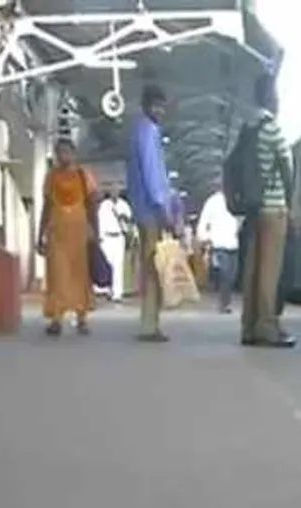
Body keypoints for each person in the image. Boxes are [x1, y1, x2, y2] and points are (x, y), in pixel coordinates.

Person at [237, 73, 296, 348]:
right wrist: (291, 202)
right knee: (269, 271)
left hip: (253, 207)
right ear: (270, 96)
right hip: (273, 208)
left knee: (252, 268)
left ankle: (248, 326)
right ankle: (267, 327)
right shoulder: (272, 127)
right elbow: (286, 166)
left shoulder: (247, 127)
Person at [126, 83, 176, 343]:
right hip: (150, 210)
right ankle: (149, 325)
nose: (160, 111)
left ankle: (150, 322)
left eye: (162, 106)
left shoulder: (138, 130)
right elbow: (152, 173)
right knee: (153, 269)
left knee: (150, 267)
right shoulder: (148, 131)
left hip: (142, 207)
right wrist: (162, 208)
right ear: (147, 105)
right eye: (156, 105)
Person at [36, 137, 100, 336]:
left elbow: (92, 205)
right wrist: (40, 234)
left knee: (80, 274)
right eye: (60, 152)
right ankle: (56, 318)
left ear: (74, 154)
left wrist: (95, 231)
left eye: (67, 152)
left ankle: (82, 317)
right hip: (57, 232)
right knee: (57, 275)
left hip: (79, 232)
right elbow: (46, 207)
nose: (63, 156)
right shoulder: (51, 177)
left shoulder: (83, 176)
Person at [195, 179, 241, 314]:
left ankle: (224, 301)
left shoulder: (236, 200)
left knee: (231, 275)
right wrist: (206, 239)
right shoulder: (213, 202)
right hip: (219, 244)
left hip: (233, 244)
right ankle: (223, 304)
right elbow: (203, 222)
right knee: (226, 275)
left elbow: (239, 220)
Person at [96, 189, 132, 302]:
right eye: (112, 191)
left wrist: (123, 218)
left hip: (118, 237)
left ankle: (117, 293)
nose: (114, 193)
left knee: (118, 265)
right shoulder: (104, 206)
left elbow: (129, 220)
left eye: (116, 191)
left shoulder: (124, 205)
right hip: (106, 238)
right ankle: (107, 289)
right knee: (107, 264)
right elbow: (99, 221)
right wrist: (100, 237)